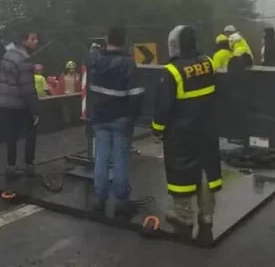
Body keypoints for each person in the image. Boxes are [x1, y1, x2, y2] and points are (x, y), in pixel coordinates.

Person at [151, 25, 221, 231]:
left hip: (181, 134)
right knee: (207, 170)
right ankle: (207, 215)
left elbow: (163, 106)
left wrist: (157, 129)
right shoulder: (208, 63)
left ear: (174, 45)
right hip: (207, 130)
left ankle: (184, 215)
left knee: (180, 172)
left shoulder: (172, 71)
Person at [86, 26, 145, 216]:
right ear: (125, 40)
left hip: (99, 117)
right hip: (121, 118)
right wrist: (133, 116)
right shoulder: (128, 63)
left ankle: (99, 199)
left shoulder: (95, 59)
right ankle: (121, 201)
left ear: (106, 38)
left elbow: (90, 56)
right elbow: (136, 95)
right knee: (120, 158)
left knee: (101, 158)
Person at [0, 30, 41, 178]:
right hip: (19, 104)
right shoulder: (25, 60)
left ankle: (11, 168)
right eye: (33, 39)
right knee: (30, 132)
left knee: (11, 135)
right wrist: (35, 110)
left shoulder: (7, 55)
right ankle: (28, 166)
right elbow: (27, 88)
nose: (36, 42)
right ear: (24, 41)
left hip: (4, 103)